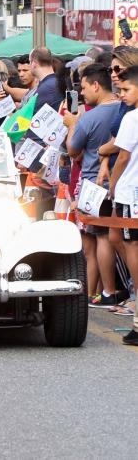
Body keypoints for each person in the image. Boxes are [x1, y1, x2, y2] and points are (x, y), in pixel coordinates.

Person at [65, 62, 121, 307]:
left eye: (85, 87)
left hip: (92, 184)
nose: (83, 93)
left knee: (96, 242)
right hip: (115, 183)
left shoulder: (89, 117)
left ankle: (100, 292)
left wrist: (72, 125)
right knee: (107, 238)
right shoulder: (125, 109)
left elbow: (72, 148)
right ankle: (99, 292)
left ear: (96, 85)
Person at [107, 65, 138, 346]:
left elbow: (123, 157)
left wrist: (113, 186)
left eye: (127, 89)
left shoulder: (131, 118)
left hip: (131, 193)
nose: (122, 94)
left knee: (134, 250)